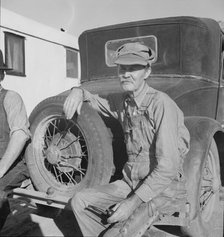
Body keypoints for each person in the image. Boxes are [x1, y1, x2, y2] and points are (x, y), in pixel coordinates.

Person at [63, 42, 190, 237]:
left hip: (162, 188)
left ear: (147, 72)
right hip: (131, 182)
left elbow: (168, 167)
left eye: (134, 68)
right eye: (122, 68)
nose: (126, 74)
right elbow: (95, 100)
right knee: (79, 201)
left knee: (117, 231)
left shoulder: (162, 104)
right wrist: (77, 90)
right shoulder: (123, 102)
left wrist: (131, 203)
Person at [0, 50, 31, 231]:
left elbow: (20, 135)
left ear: (1, 74)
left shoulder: (11, 98)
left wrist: (1, 169)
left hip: (15, 162)